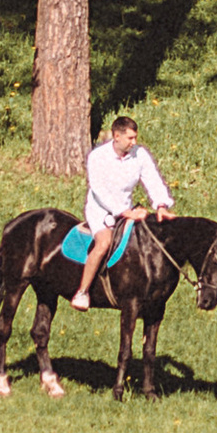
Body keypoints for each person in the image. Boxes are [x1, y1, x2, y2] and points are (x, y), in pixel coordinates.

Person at [70, 113, 173, 309]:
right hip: (101, 210)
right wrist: (125, 212)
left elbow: (152, 179)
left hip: (128, 208)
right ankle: (82, 292)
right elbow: (99, 190)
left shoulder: (140, 154)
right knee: (104, 243)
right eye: (130, 138)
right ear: (116, 136)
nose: (134, 142)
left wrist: (161, 205)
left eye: (135, 137)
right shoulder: (97, 157)